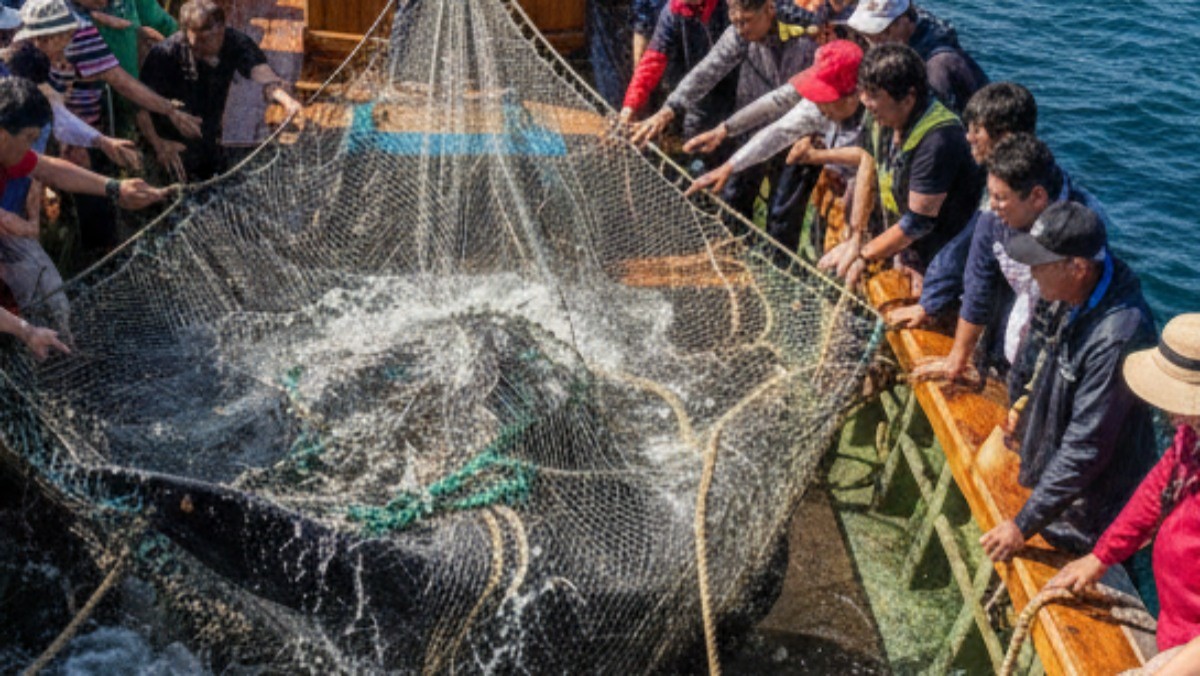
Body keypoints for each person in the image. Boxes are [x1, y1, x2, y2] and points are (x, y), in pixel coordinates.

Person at [978, 201, 1158, 562]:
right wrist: (1021, 406)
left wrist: (1022, 526)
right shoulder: (1067, 291)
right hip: (1053, 468)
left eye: (1040, 264)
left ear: (1077, 267)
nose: (1031, 271)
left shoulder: (1117, 337)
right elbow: (1039, 356)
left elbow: (1086, 448)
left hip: (1089, 507)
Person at [1046, 313, 1200, 672]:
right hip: (1176, 631)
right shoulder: (1192, 434)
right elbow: (1160, 485)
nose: (1170, 412)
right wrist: (1101, 557)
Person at [909, 134, 1109, 396]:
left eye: (1000, 198)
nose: (992, 206)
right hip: (1022, 320)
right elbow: (977, 286)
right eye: (990, 194)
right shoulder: (993, 219)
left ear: (1037, 197)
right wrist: (957, 358)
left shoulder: (1081, 229)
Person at [803, 43, 981, 286]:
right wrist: (856, 238)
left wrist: (863, 255)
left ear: (908, 99)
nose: (865, 101)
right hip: (899, 240)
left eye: (874, 94)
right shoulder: (880, 115)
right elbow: (867, 164)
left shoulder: (938, 140)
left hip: (937, 254)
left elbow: (918, 222)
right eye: (864, 91)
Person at [0, 77, 169, 323]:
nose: (30, 147)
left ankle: (50, 341)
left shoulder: (10, 154)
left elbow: (49, 169)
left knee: (46, 290)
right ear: (4, 134)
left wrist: (116, 188)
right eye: (28, 138)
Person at [684, 38, 871, 253]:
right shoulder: (819, 108)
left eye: (825, 97)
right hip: (840, 193)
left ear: (854, 96)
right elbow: (777, 131)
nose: (818, 104)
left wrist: (817, 156)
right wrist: (729, 166)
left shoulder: (879, 116)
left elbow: (868, 161)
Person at [888, 82, 1038, 332]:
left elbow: (967, 246)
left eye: (978, 130)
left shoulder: (1010, 192)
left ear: (1005, 137)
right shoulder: (1024, 175)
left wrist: (929, 302)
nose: (968, 137)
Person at [137, 0, 302, 182]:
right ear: (185, 33)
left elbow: (261, 72)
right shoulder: (164, 55)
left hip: (209, 137)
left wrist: (285, 99)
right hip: (168, 144)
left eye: (216, 37)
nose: (211, 46)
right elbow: (139, 106)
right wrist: (159, 145)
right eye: (202, 41)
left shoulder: (234, 41)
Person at [619, 0, 733, 159]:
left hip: (742, 89)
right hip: (698, 93)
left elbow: (721, 60)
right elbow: (654, 58)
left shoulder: (731, 7)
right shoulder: (674, 10)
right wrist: (630, 106)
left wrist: (667, 111)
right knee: (696, 149)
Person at [846, 0, 986, 115]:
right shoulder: (913, 25)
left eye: (883, 32)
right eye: (867, 33)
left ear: (905, 21)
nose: (875, 42)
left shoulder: (937, 68)